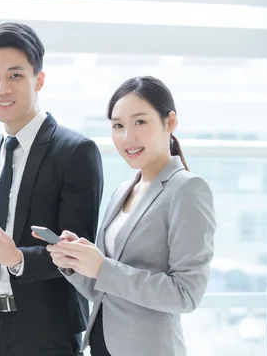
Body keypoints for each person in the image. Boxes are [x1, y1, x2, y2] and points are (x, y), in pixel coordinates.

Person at [0, 22, 104, 356]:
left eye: (15, 75)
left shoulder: (75, 151)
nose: (2, 88)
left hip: (46, 332)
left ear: (39, 79)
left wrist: (17, 259)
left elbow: (76, 251)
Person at [44, 76, 216, 356]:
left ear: (169, 122)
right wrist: (75, 264)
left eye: (140, 122)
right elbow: (108, 290)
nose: (128, 137)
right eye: (118, 126)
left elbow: (187, 294)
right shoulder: (123, 190)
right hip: (103, 346)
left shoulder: (187, 189)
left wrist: (103, 268)